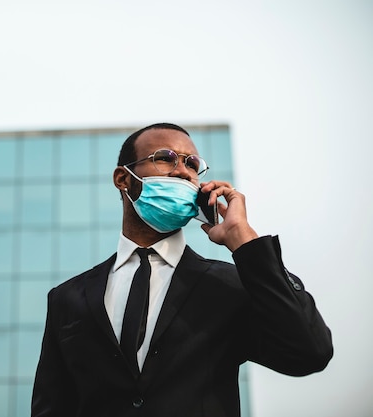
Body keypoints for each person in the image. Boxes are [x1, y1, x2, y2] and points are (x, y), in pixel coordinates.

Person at [31, 123, 333, 417]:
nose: (182, 171)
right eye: (165, 158)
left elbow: (310, 352)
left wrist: (244, 239)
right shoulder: (67, 298)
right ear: (123, 179)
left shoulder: (227, 285)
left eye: (192, 164)